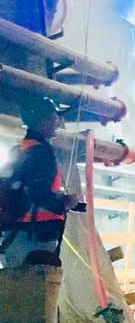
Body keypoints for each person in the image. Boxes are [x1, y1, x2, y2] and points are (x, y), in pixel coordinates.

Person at [0, 97, 80, 268]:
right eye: (54, 118)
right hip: (35, 235)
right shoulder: (40, 152)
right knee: (35, 290)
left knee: (15, 287)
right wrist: (64, 202)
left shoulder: (22, 148)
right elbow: (38, 193)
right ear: (42, 121)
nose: (57, 123)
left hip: (14, 233)